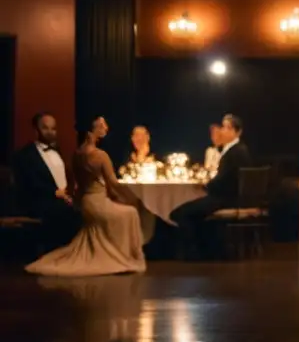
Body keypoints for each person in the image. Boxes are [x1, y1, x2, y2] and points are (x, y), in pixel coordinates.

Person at [25, 116, 146, 276]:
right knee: (131, 213)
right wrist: (131, 197)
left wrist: (75, 200)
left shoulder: (76, 154)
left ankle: (113, 251)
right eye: (101, 125)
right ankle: (124, 257)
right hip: (98, 203)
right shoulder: (100, 155)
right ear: (91, 131)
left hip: (86, 204)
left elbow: (72, 186)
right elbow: (113, 184)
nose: (106, 127)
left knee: (125, 212)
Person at [170, 114, 251, 259]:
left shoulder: (235, 152)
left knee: (182, 213)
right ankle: (205, 249)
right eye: (223, 127)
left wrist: (206, 186)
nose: (223, 131)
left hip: (226, 199)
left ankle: (193, 254)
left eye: (227, 128)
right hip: (227, 197)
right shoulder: (237, 150)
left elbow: (225, 180)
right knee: (187, 211)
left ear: (237, 132)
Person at [11, 112, 80, 250]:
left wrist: (69, 193)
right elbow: (27, 184)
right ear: (36, 130)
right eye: (45, 128)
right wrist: (54, 193)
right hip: (39, 202)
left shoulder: (57, 150)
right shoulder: (25, 155)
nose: (50, 132)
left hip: (63, 200)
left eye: (53, 128)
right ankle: (61, 252)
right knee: (68, 213)